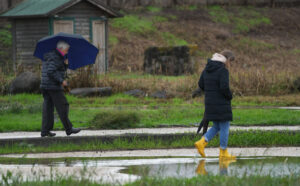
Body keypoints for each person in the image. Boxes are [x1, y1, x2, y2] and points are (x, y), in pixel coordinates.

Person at [194, 50, 236, 159]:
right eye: (230, 61)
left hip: (210, 103)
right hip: (221, 103)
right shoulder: (223, 70)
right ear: (226, 60)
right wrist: (229, 96)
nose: (230, 64)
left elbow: (201, 84)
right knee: (225, 126)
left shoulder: (207, 69)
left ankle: (201, 142)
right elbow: (224, 87)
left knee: (217, 126)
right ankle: (223, 153)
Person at [40, 41, 81, 137]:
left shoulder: (52, 55)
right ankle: (69, 129)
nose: (67, 52)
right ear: (61, 49)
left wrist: (65, 65)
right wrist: (61, 81)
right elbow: (51, 71)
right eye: (66, 50)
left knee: (48, 108)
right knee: (63, 105)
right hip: (53, 86)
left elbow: (56, 69)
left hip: (45, 86)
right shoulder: (56, 57)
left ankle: (45, 131)